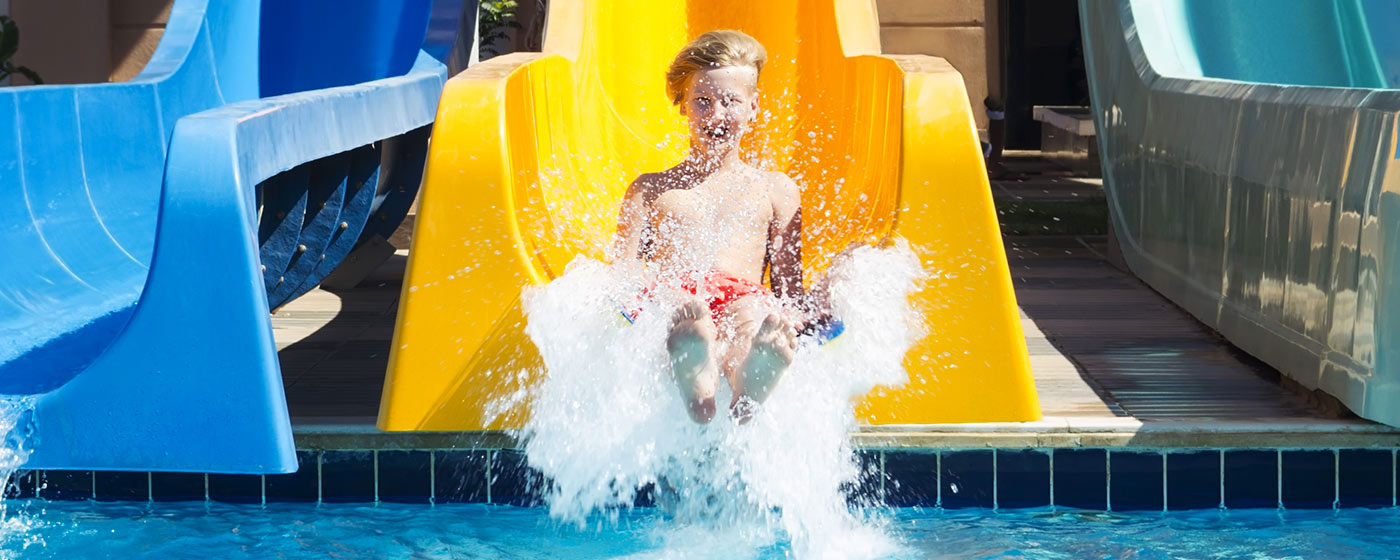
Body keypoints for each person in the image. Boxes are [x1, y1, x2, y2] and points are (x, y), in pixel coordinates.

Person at [612, 30, 808, 425]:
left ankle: (748, 378)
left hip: (745, 296)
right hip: (676, 300)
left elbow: (790, 292)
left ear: (753, 107)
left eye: (730, 101)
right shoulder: (651, 189)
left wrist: (797, 318)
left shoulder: (776, 190)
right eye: (702, 101)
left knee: (755, 319)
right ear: (683, 106)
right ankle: (697, 375)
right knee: (682, 315)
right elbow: (622, 277)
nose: (716, 114)